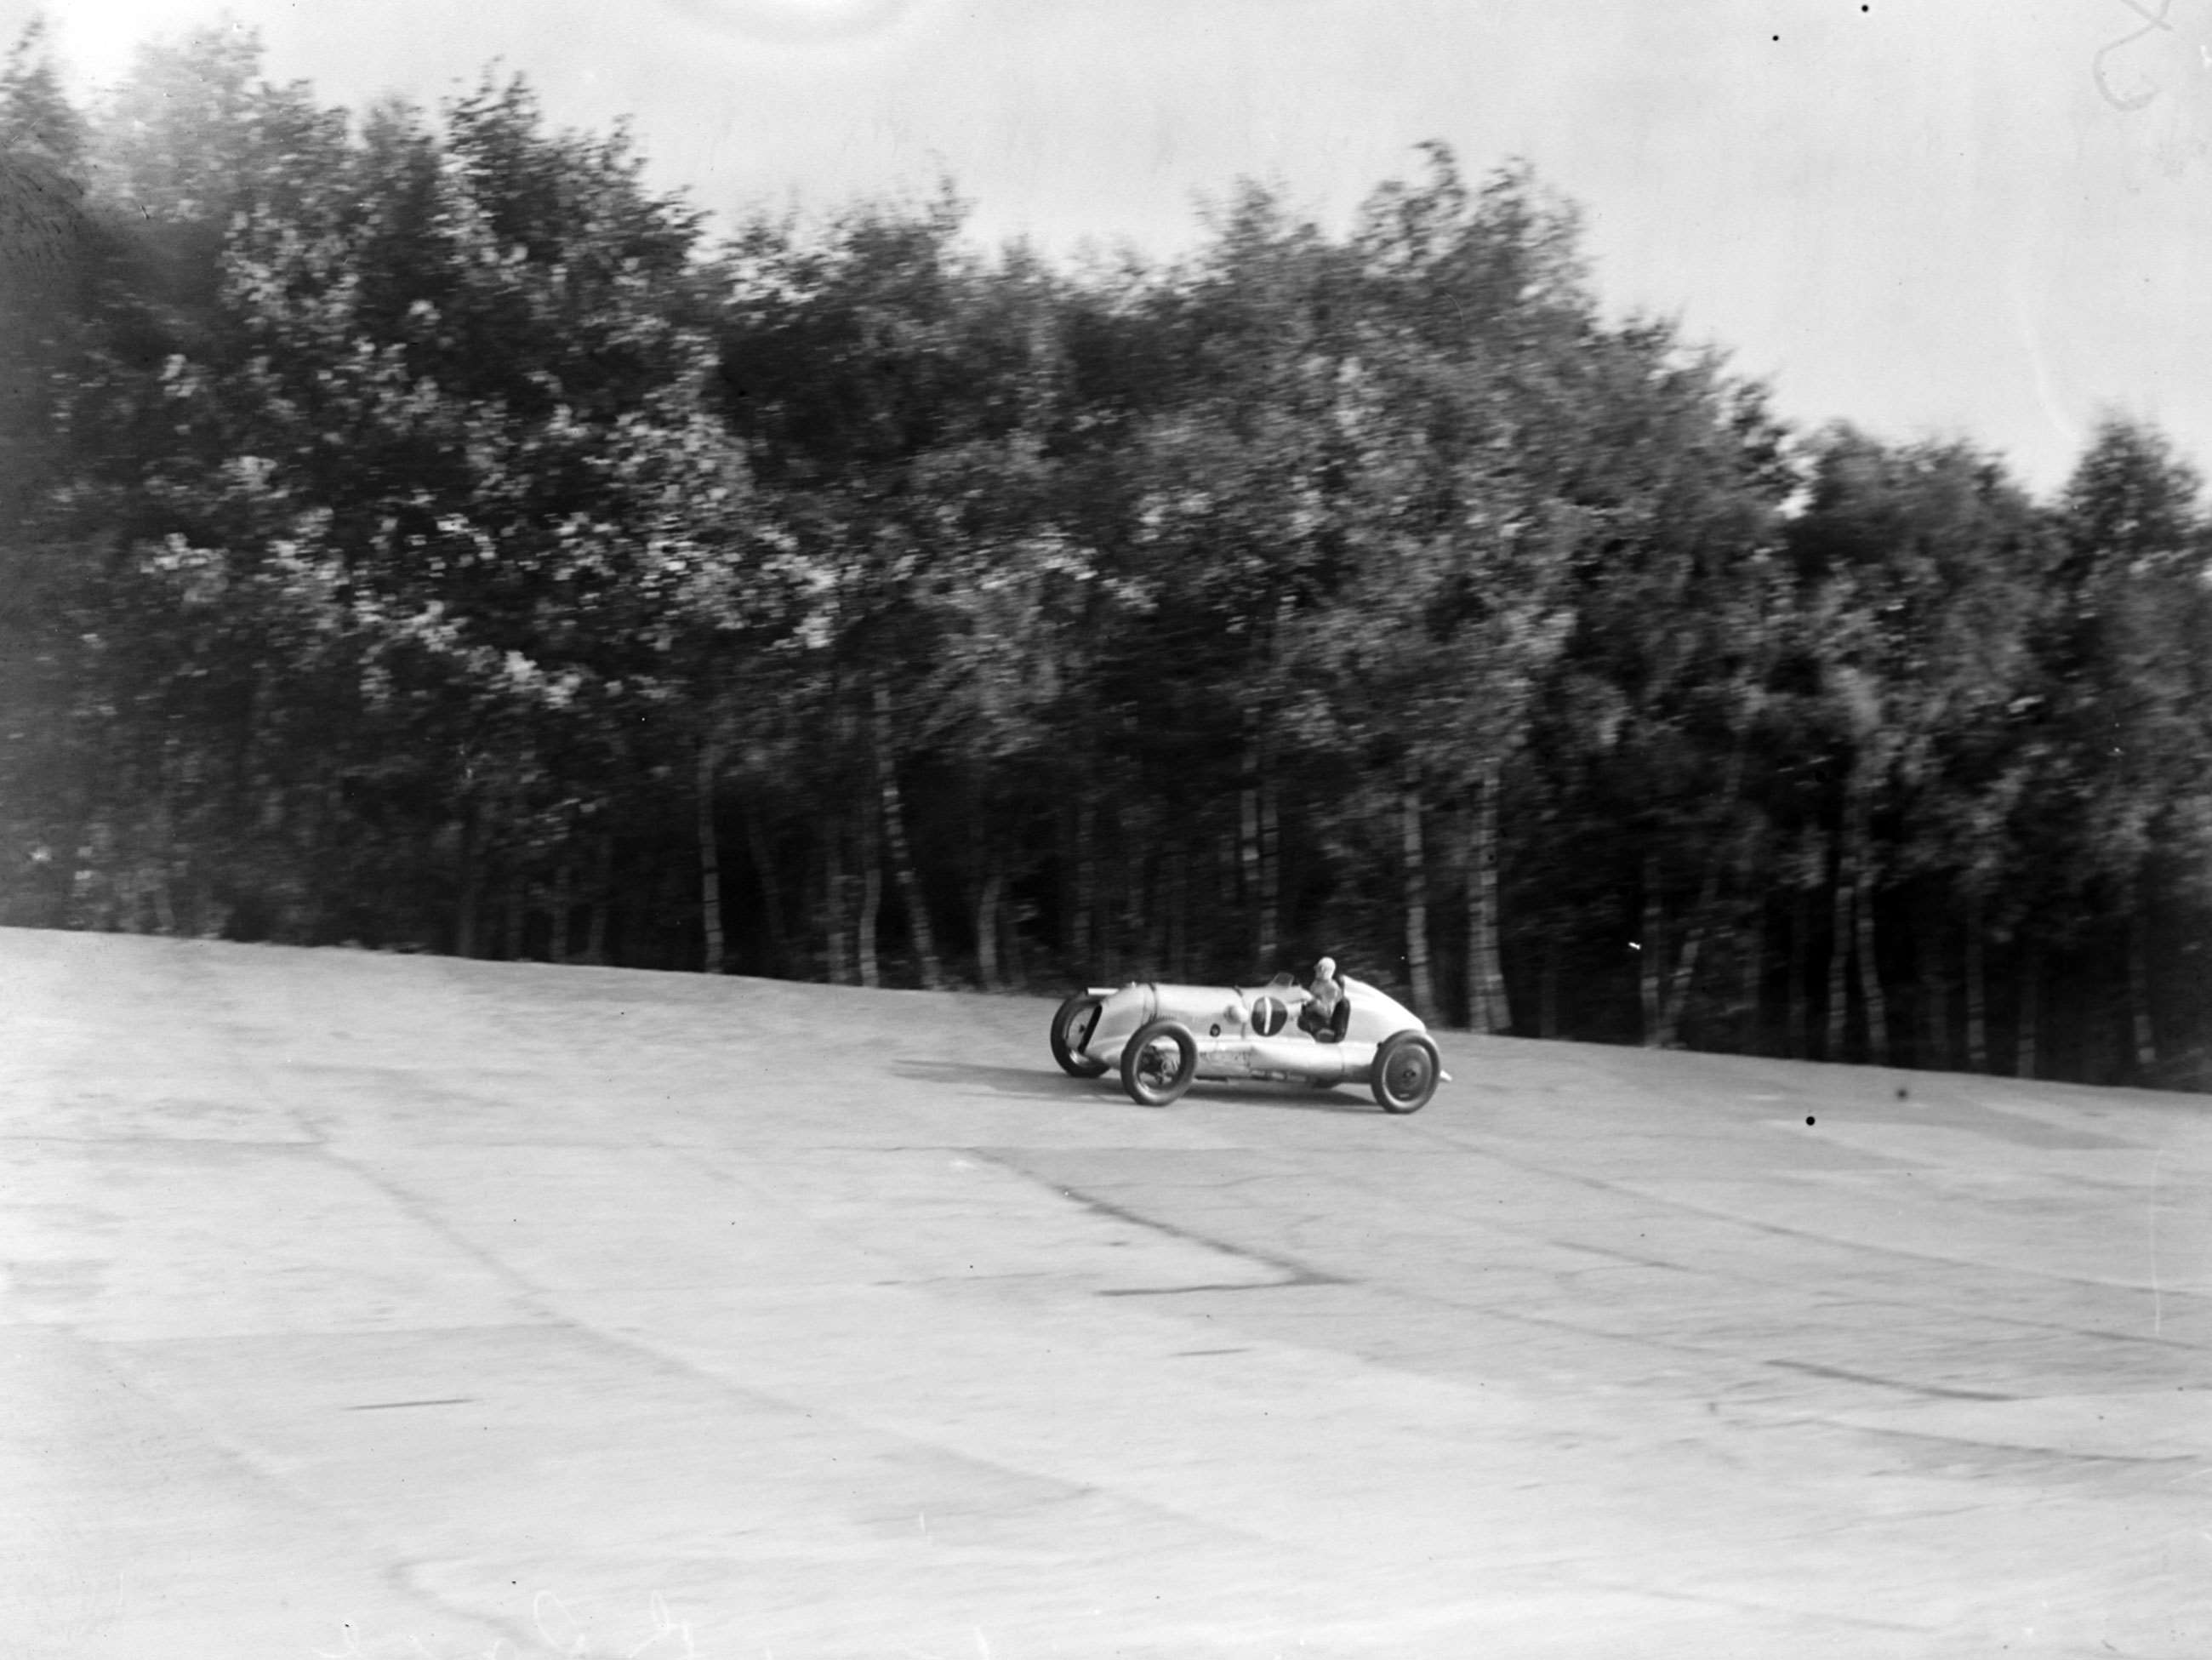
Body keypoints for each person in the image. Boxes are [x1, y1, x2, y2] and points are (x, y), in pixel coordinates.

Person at [1297, 956, 1350, 1043]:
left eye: (1320, 968)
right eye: (1317, 968)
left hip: (1322, 1025)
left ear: (1327, 971)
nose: (1317, 971)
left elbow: (1327, 1012)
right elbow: (1309, 1001)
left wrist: (1312, 1001)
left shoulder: (1333, 988)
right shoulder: (1316, 983)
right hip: (1310, 1019)